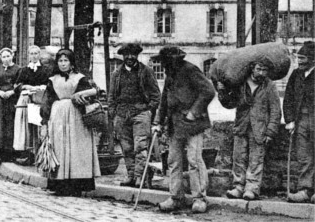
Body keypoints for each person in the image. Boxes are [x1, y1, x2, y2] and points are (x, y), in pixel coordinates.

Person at [151, 46, 216, 214]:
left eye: (166, 62)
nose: (164, 65)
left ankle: (199, 198)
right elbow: (164, 100)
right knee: (173, 161)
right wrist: (158, 121)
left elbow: (208, 91)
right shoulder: (169, 75)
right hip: (175, 124)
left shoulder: (190, 70)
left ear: (174, 60)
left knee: (194, 160)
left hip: (193, 124)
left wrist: (194, 112)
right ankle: (176, 197)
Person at [216, 60, 281, 201]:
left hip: (260, 128)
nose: (262, 73)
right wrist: (221, 90)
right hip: (241, 125)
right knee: (238, 157)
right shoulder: (241, 83)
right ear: (252, 69)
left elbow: (276, 110)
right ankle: (238, 187)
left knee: (256, 159)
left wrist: (271, 131)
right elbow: (229, 103)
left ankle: (252, 189)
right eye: (259, 69)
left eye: (264, 70)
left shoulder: (269, 86)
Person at [39, 49, 100, 196]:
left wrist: (84, 96)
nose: (63, 64)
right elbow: (47, 101)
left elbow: (91, 95)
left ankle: (77, 184)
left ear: (71, 63)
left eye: (66, 61)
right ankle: (60, 185)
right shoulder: (52, 80)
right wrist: (44, 122)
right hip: (58, 116)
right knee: (59, 148)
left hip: (76, 117)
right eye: (60, 61)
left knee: (77, 149)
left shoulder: (80, 78)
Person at [107, 43, 161, 188]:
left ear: (137, 55)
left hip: (141, 113)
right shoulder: (116, 74)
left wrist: (149, 110)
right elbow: (111, 97)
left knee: (140, 146)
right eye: (127, 55)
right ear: (123, 56)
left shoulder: (146, 72)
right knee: (126, 147)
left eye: (133, 54)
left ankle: (140, 177)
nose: (130, 57)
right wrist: (113, 114)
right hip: (122, 114)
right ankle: (130, 175)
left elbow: (156, 96)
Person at [284, 41, 315, 204]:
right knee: (304, 156)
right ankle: (305, 190)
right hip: (301, 120)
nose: (299, 61)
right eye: (298, 58)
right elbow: (288, 98)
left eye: (303, 58)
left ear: (313, 60)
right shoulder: (296, 75)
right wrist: (289, 120)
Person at [13, 46, 53, 162]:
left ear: (39, 55)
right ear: (29, 55)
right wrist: (26, 86)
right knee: (26, 126)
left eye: (36, 53)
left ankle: (38, 153)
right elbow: (16, 86)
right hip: (26, 100)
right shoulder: (24, 70)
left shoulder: (45, 69)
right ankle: (27, 153)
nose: (34, 56)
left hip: (40, 99)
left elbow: (49, 84)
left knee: (38, 124)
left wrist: (42, 87)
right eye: (32, 54)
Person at [0, 48, 20, 162]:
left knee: (10, 126)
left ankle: (10, 153)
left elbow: (20, 84)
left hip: (12, 102)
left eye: (8, 56)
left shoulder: (18, 69)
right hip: (0, 103)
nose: (6, 59)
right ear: (1, 58)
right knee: (0, 126)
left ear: (12, 56)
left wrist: (12, 91)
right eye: (3, 57)